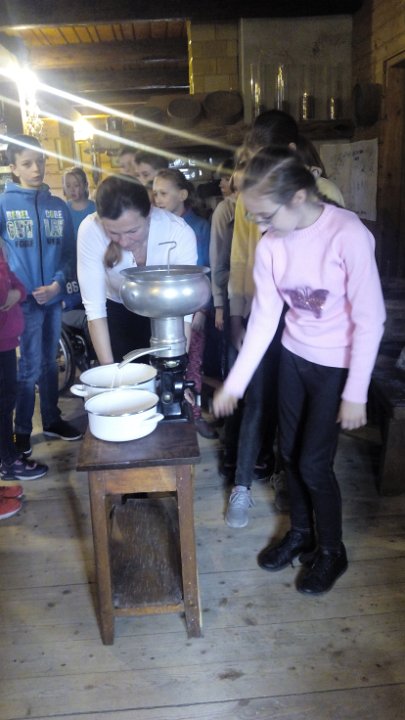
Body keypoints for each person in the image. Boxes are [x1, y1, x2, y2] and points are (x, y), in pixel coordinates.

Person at [213, 146, 386, 595]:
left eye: (265, 215)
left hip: (336, 366)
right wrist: (235, 383)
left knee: (313, 463)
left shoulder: (347, 234)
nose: (259, 226)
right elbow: (265, 319)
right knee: (288, 453)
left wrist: (356, 392)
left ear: (298, 197)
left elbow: (371, 318)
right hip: (294, 357)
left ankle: (331, 549)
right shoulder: (272, 244)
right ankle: (302, 533)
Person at [0, 135, 82, 458]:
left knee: (51, 363)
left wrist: (58, 285)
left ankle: (51, 419)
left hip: (53, 299)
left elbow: (68, 254)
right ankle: (21, 431)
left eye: (40, 161)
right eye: (27, 163)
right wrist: (12, 288)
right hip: (22, 304)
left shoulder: (58, 207)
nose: (36, 169)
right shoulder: (4, 205)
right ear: (13, 167)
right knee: (29, 367)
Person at [77, 175, 197, 365]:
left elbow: (184, 311)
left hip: (165, 313)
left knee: (166, 372)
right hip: (116, 310)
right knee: (121, 373)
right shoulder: (91, 229)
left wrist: (178, 368)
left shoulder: (178, 232)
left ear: (149, 215)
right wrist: (110, 373)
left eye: (132, 231)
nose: (124, 242)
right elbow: (95, 310)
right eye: (113, 233)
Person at [152, 168, 217, 439]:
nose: (157, 199)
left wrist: (201, 309)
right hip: (161, 309)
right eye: (155, 193)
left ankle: (195, 414)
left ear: (182, 194)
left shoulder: (199, 227)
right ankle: (165, 414)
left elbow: (206, 271)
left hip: (191, 308)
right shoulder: (154, 225)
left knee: (192, 363)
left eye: (163, 193)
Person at [0, 246, 48, 514]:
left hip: (5, 340)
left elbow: (17, 286)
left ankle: (7, 460)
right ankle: (8, 461)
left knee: (6, 402)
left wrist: (16, 292)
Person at [62, 166, 96, 310]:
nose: (72, 189)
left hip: (91, 257)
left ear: (85, 185)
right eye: (68, 185)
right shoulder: (63, 209)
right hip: (71, 260)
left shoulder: (95, 208)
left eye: (76, 185)